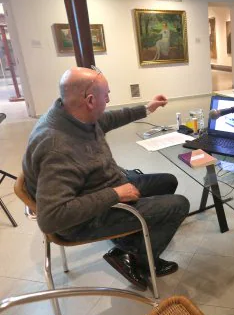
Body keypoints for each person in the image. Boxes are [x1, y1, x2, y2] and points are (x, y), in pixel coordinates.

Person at [22, 67, 189, 291]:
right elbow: (51, 218)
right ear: (90, 100)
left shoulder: (72, 114)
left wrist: (147, 108)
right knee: (179, 205)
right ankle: (135, 260)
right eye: (106, 95)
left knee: (168, 181)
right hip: (83, 219)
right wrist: (115, 194)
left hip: (101, 186)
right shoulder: (58, 148)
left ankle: (128, 238)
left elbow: (109, 119)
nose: (109, 100)